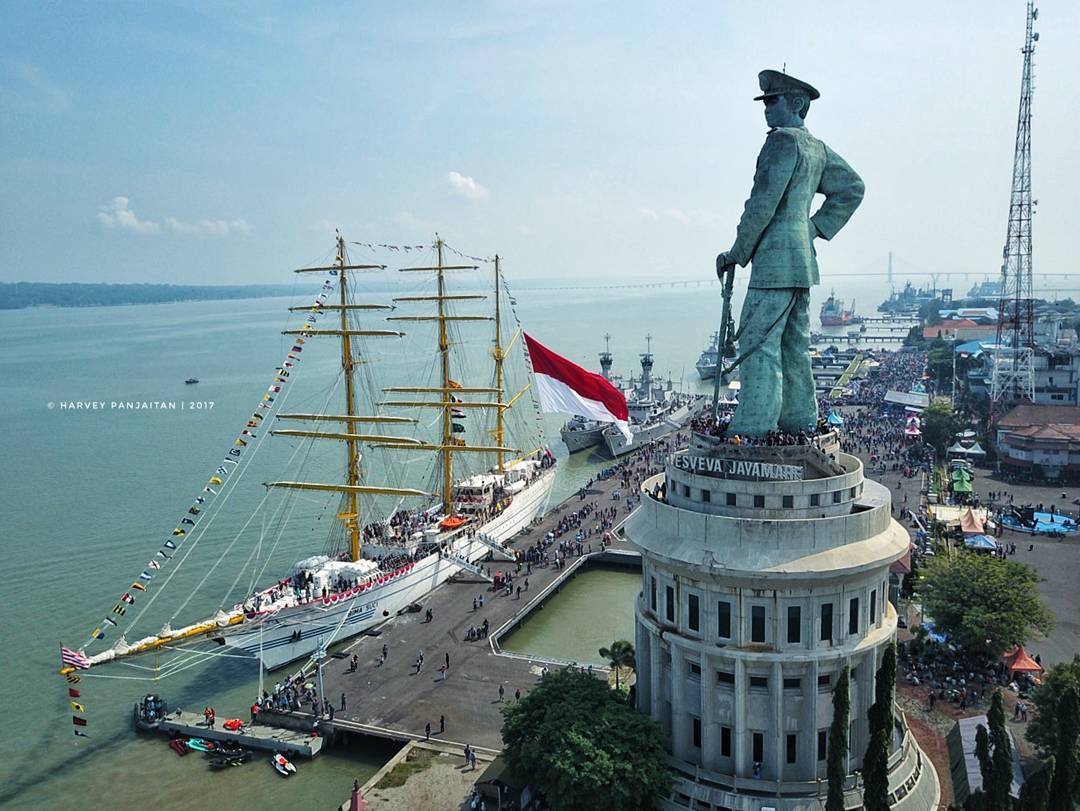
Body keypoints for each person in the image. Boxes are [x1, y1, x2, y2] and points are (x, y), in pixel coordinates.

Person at [716, 70, 864, 437]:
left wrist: (737, 252)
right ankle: (798, 419)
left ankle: (754, 425)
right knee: (795, 346)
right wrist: (813, 228)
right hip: (802, 264)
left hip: (772, 265)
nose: (766, 109)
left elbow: (761, 204)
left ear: (797, 104)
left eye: (772, 100)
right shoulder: (817, 148)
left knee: (758, 344)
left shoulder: (781, 143)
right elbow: (852, 188)